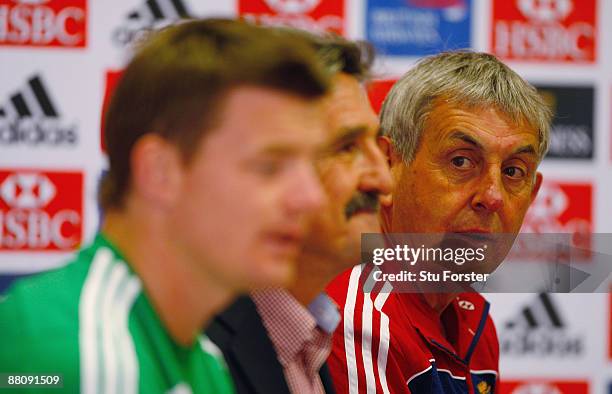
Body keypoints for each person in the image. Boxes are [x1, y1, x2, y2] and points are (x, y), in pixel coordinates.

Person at [0, 19, 332, 393]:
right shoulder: (83, 355)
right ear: (160, 172)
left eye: (311, 166)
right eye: (269, 166)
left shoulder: (199, 354)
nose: (310, 197)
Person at [326, 51, 552, 394]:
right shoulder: (361, 322)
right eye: (461, 161)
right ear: (388, 166)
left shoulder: (472, 316)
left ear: (532, 195)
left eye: (512, 172)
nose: (492, 196)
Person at [207, 34, 392, 394]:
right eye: (347, 147)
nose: (383, 178)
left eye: (377, 145)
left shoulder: (311, 337)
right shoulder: (199, 345)